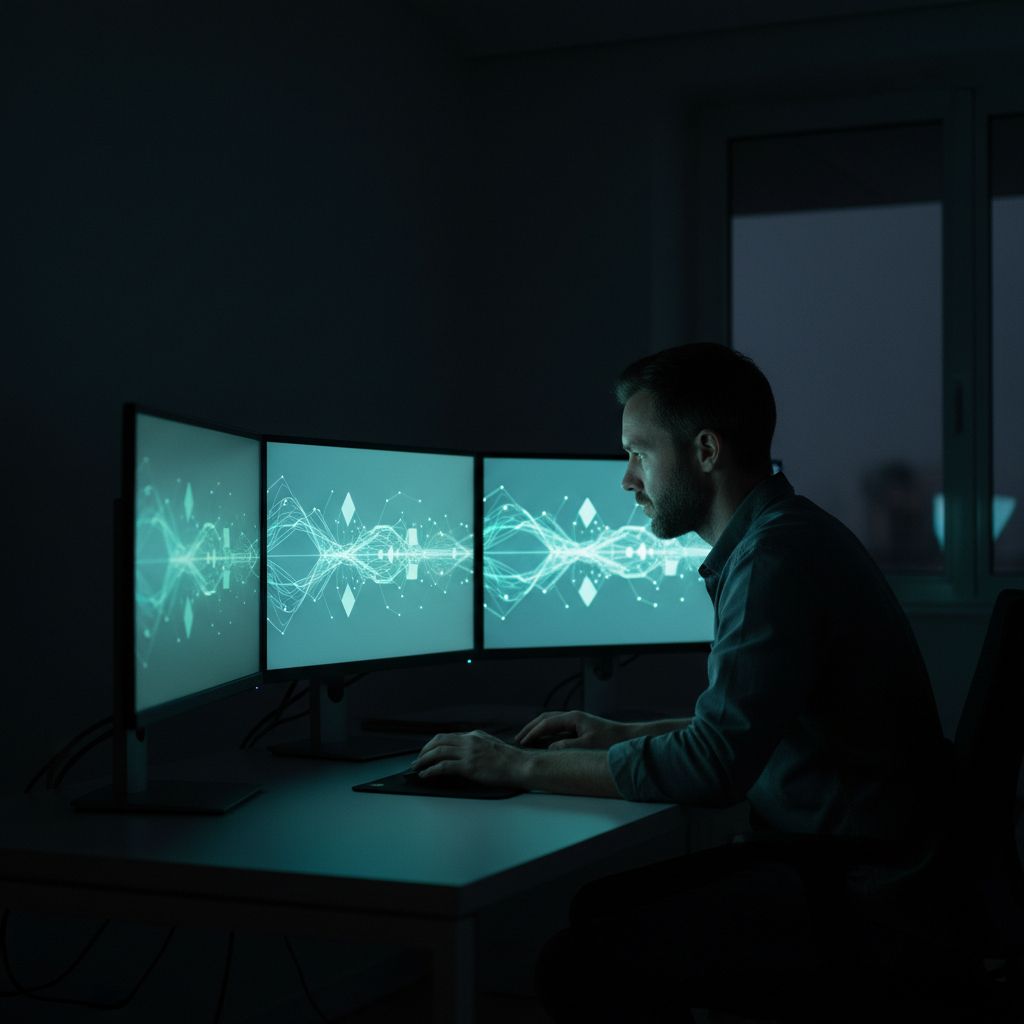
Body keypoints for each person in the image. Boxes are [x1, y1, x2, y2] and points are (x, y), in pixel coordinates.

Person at [412, 344, 961, 1020]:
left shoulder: (772, 562)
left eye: (639, 453)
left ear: (705, 451)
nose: (627, 480)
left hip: (853, 879)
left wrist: (514, 763)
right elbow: (762, 724)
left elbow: (715, 769)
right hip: (869, 858)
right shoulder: (789, 537)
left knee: (578, 962)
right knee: (601, 908)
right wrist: (624, 733)